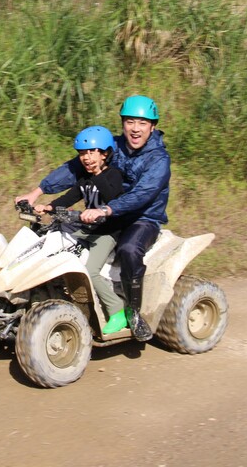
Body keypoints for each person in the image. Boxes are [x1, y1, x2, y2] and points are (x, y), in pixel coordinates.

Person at [16, 95, 170, 342]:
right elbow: (74, 170)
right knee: (55, 233)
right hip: (106, 216)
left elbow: (142, 195)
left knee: (129, 249)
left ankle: (132, 312)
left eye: (142, 123)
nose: (135, 128)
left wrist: (105, 209)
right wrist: (37, 193)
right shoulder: (112, 147)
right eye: (130, 121)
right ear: (123, 123)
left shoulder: (159, 160)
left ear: (152, 126)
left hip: (141, 217)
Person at [33, 125, 128, 335]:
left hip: (108, 232)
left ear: (105, 154)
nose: (86, 158)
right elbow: (69, 197)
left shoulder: (113, 175)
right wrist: (49, 207)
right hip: (88, 228)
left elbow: (114, 198)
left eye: (92, 152)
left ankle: (117, 312)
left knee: (91, 270)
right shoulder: (84, 178)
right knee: (55, 242)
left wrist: (97, 176)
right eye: (83, 153)